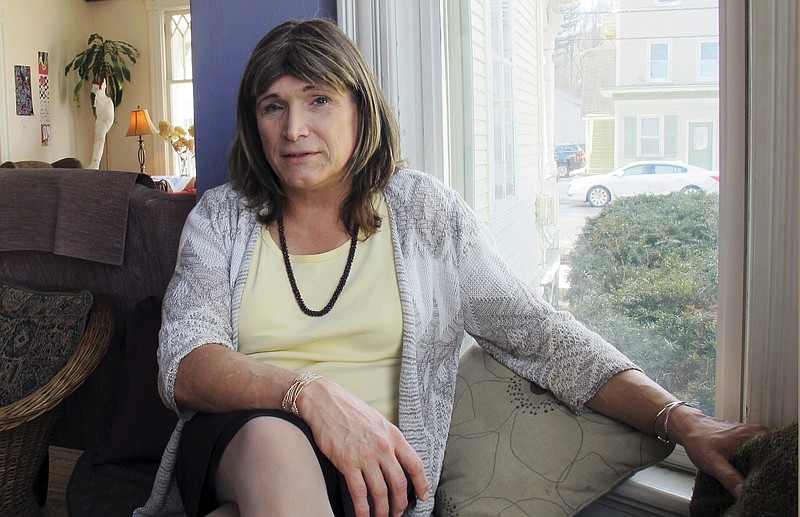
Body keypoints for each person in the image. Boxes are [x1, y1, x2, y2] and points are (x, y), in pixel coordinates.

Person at [135, 18, 766, 517]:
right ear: (254, 122)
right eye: (273, 107)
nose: (294, 129)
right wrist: (310, 396)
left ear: (361, 109)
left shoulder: (425, 215)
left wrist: (680, 419)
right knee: (278, 447)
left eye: (318, 100)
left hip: (378, 479)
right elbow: (186, 363)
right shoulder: (223, 217)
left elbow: (540, 335)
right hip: (244, 447)